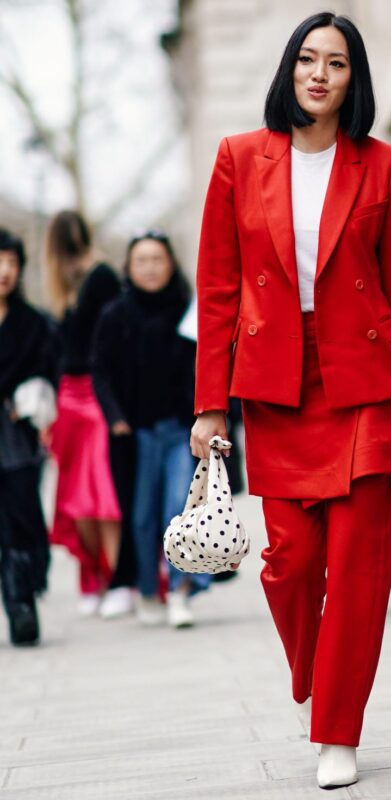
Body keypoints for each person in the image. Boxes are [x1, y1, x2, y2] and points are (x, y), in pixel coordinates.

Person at [190, 12, 391, 790]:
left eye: (335, 63)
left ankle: (337, 730)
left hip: (369, 383)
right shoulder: (237, 159)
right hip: (277, 382)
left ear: (353, 81)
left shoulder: (384, 164)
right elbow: (218, 291)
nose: (319, 74)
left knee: (359, 565)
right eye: (306, 59)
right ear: (288, 71)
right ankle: (313, 676)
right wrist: (208, 406)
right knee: (289, 563)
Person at [92, 230, 211, 628]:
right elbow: (101, 371)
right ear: (129, 267)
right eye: (141, 260)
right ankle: (147, 590)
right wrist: (115, 418)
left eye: (157, 259)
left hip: (180, 430)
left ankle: (181, 591)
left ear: (171, 263)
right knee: (141, 517)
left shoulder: (188, 309)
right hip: (136, 434)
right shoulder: (115, 314)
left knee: (178, 509)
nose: (150, 267)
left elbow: (207, 363)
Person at [44, 210, 122, 617]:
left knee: (98, 494)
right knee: (76, 497)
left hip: (94, 397)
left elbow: (109, 343)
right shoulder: (67, 288)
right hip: (68, 400)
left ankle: (114, 577)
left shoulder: (102, 276)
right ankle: (95, 577)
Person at [0, 229, 57, 645]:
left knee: (21, 517)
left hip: (16, 438)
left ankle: (22, 601)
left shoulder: (34, 324)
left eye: (11, 263)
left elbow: (48, 371)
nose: (4, 272)